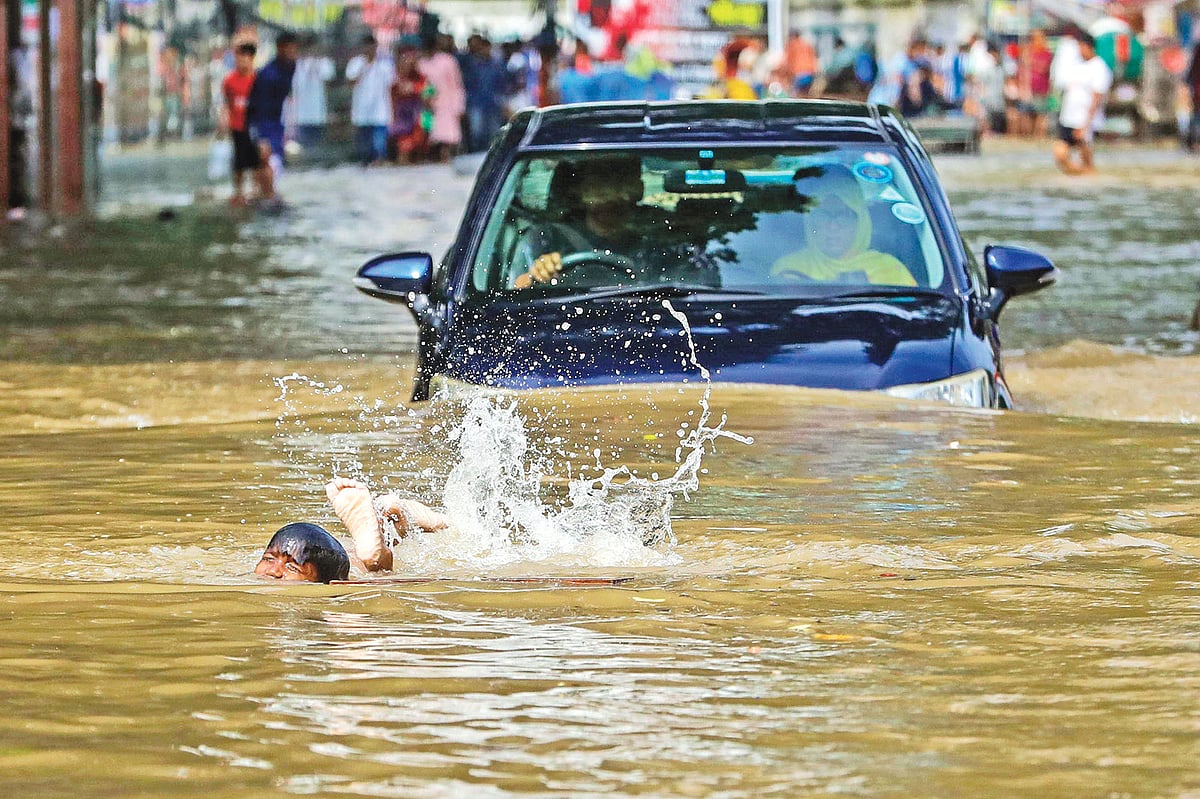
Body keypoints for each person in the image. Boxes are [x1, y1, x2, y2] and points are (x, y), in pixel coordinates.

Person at [511, 156, 677, 290]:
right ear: (582, 191)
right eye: (599, 184)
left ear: (638, 189)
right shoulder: (545, 238)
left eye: (620, 183)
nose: (609, 196)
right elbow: (515, 292)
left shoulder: (661, 241)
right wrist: (539, 274)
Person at [254, 478, 450, 582]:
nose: (273, 571)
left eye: (292, 568)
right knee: (382, 547)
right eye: (269, 559)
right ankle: (390, 512)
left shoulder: (340, 578)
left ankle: (398, 516)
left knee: (377, 570)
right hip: (343, 551)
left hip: (350, 564)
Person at [769, 165, 916, 286]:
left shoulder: (890, 270)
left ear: (860, 222)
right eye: (824, 215)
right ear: (810, 221)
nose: (833, 226)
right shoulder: (789, 269)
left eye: (844, 215)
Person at [1054, 33, 1112, 175]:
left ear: (1088, 46)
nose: (1079, 50)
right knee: (1060, 154)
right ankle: (1083, 176)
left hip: (1083, 119)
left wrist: (1086, 124)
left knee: (1085, 158)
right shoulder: (1078, 65)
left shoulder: (1099, 67)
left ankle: (1088, 176)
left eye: (1080, 46)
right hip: (1068, 117)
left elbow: (1097, 97)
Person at [221, 41, 270, 207]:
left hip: (255, 126)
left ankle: (256, 189)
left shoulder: (258, 80)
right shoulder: (229, 81)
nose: (241, 61)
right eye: (238, 57)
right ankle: (238, 192)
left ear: (251, 59)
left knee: (257, 159)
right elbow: (226, 103)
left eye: (245, 57)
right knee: (239, 161)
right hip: (237, 125)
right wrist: (224, 121)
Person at [246, 32, 298, 182]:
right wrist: (259, 135)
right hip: (265, 124)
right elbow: (257, 107)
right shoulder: (268, 75)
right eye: (290, 49)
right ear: (280, 48)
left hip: (278, 122)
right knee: (271, 162)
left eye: (294, 49)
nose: (293, 53)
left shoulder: (291, 67)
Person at [346, 34, 396, 166]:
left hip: (380, 106)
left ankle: (380, 158)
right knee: (364, 135)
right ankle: (365, 159)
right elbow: (351, 81)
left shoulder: (385, 64)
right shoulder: (356, 62)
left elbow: (391, 83)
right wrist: (365, 67)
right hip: (362, 107)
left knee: (379, 135)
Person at [418, 35, 467, 161]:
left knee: (446, 133)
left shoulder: (448, 61)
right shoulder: (421, 63)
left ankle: (445, 157)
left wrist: (459, 105)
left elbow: (456, 84)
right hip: (427, 103)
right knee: (428, 131)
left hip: (447, 102)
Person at [291, 35, 335, 147]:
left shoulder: (324, 62)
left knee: (318, 141)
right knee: (303, 142)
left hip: (318, 109)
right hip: (301, 111)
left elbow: (328, 81)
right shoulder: (296, 64)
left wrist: (315, 64)